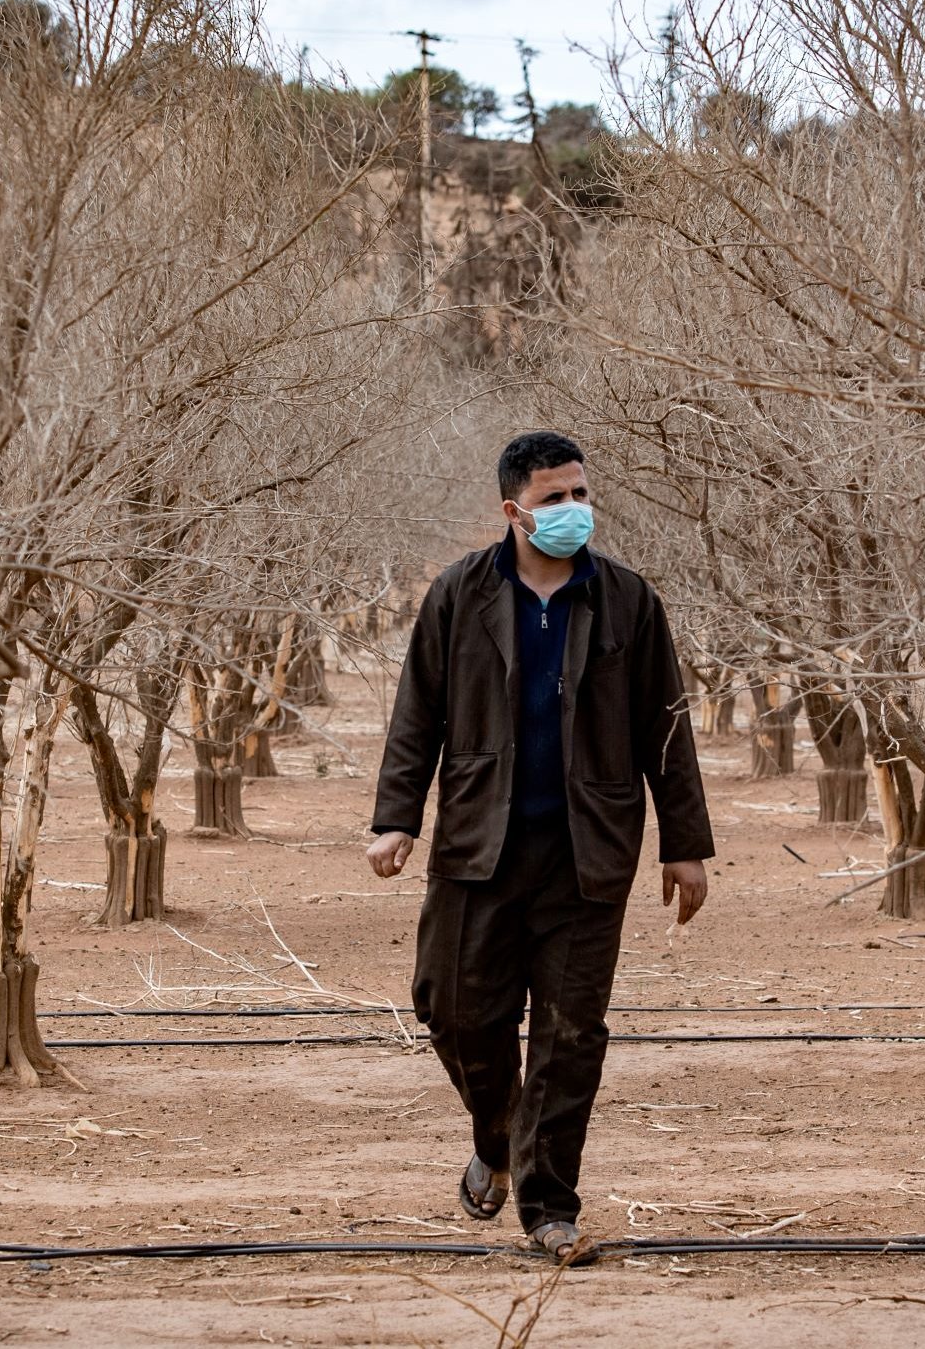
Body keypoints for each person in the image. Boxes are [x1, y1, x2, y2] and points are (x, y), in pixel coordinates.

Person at [366, 430, 713, 1266]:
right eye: (554, 498)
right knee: (450, 1008)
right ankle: (497, 1133)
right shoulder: (458, 594)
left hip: (587, 851)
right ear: (513, 509)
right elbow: (418, 711)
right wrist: (396, 817)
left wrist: (684, 842)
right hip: (477, 843)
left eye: (581, 494)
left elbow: (665, 726)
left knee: (570, 1033)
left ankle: (548, 1204)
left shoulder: (628, 600)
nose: (572, 511)